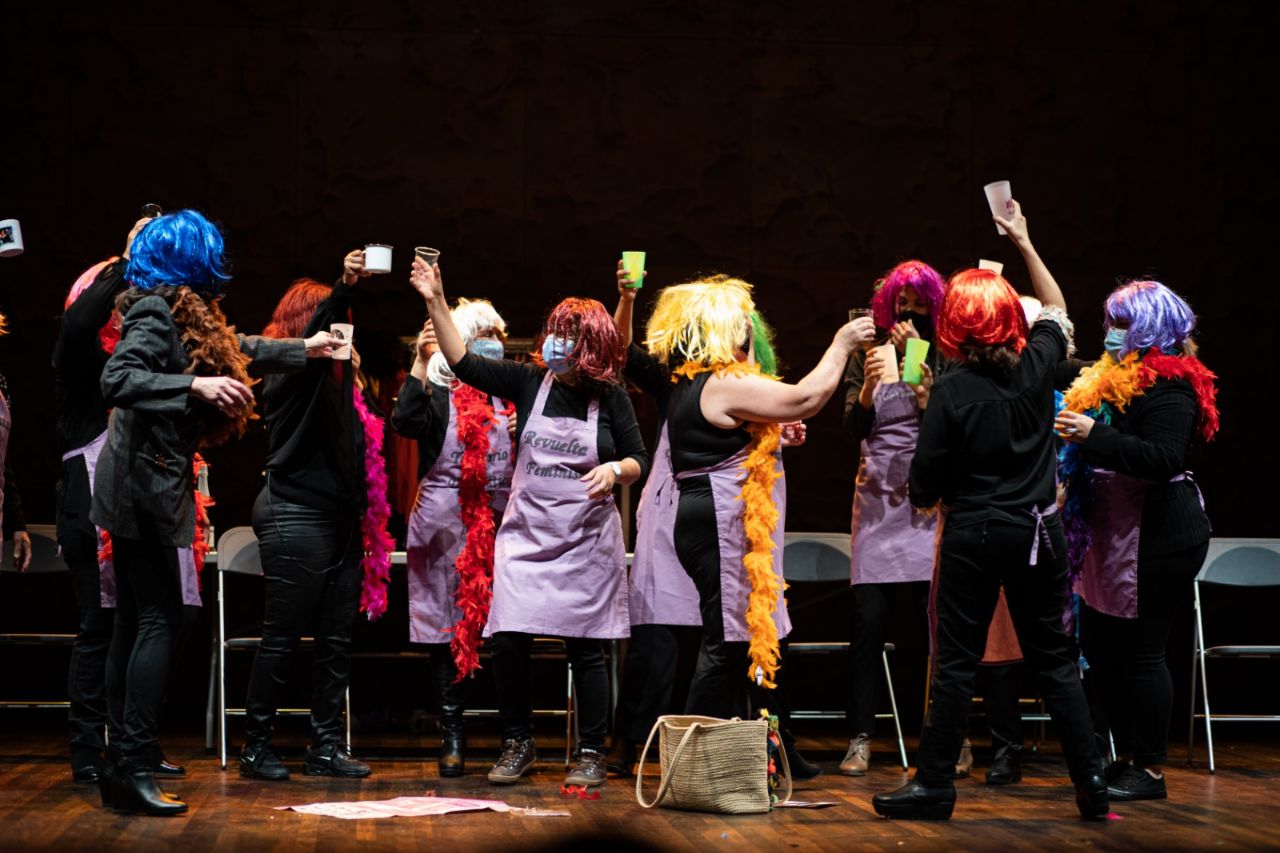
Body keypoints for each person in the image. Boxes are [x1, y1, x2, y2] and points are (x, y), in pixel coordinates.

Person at [871, 201, 1109, 821]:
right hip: (1038, 532)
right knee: (1054, 661)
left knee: (955, 664)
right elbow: (1055, 309)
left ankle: (934, 786)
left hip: (974, 534)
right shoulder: (1037, 367)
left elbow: (924, 482)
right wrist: (1024, 242)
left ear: (952, 324)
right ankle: (1091, 780)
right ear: (1009, 318)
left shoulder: (951, 389)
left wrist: (925, 490)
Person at [92, 210, 336, 815]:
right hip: (142, 486)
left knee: (137, 621)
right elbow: (118, 378)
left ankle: (121, 763)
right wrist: (194, 388)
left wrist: (303, 348)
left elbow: (232, 350)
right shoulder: (155, 310)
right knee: (158, 619)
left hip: (140, 481)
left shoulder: (181, 310)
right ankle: (131, 760)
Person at [411, 257, 648, 788]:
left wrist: (614, 470)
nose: (555, 342)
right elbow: (463, 362)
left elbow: (639, 458)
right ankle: (517, 742)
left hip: (585, 541)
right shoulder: (528, 381)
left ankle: (591, 751)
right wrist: (436, 299)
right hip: (526, 539)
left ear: (589, 345)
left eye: (568, 335)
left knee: (586, 647)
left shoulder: (610, 397)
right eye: (554, 331)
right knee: (510, 639)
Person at [608, 266, 821, 778]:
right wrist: (627, 298)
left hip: (739, 524)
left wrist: (781, 432)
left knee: (752, 632)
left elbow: (759, 429)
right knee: (671, 639)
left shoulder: (746, 385)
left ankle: (773, 743)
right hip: (691, 516)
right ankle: (635, 745)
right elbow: (620, 353)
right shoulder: (682, 379)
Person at [644, 276, 876, 721]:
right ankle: (690, 751)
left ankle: (754, 748)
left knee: (735, 642)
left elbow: (723, 441)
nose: (748, 332)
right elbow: (805, 398)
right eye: (741, 324)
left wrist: (771, 435)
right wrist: (842, 344)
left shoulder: (695, 384)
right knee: (727, 645)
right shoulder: (722, 381)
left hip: (706, 522)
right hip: (717, 524)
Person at [1057, 279, 1218, 802]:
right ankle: (1123, 756)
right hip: (1113, 533)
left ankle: (1149, 769)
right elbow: (1055, 366)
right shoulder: (1109, 375)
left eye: (1123, 324)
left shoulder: (1172, 387)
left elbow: (1162, 458)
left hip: (1160, 537)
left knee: (1144, 652)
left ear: (1150, 328)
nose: (1111, 333)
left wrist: (1094, 435)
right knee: (1102, 651)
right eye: (1111, 323)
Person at [240, 250, 393, 782]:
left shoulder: (338, 383)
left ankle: (325, 746)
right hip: (294, 512)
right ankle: (256, 745)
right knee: (282, 637)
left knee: (335, 640)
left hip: (339, 518)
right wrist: (345, 284)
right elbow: (319, 331)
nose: (342, 329)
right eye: (332, 321)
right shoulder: (290, 375)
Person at [392, 298, 516, 778]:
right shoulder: (440, 391)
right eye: (482, 334)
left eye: (496, 334)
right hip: (444, 524)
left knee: (506, 629)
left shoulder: (511, 393)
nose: (492, 342)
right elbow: (405, 422)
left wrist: (523, 425)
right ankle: (453, 734)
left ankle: (514, 736)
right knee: (447, 634)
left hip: (502, 522)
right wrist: (421, 361)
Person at [839, 260, 946, 776]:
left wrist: (927, 388)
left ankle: (940, 737)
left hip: (926, 504)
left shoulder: (943, 353)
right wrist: (865, 389)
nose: (909, 313)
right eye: (902, 304)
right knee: (868, 625)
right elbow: (851, 426)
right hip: (878, 504)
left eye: (919, 305)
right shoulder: (869, 353)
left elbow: (951, 427)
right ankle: (860, 736)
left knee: (928, 630)